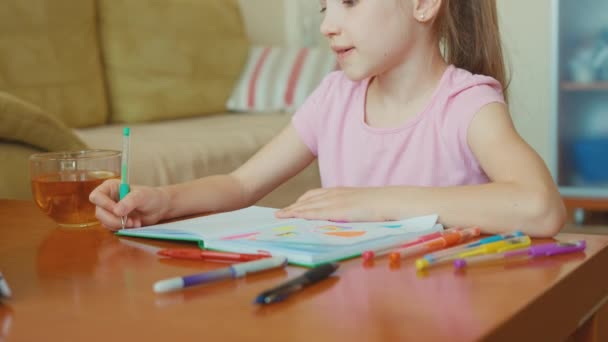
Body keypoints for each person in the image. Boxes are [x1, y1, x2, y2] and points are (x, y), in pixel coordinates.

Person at [90, 0, 565, 237]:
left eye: (350, 1)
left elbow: (541, 207)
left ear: (423, 3)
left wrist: (379, 203)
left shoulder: (465, 104)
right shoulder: (334, 97)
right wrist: (162, 202)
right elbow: (239, 185)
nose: (326, 24)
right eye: (324, 5)